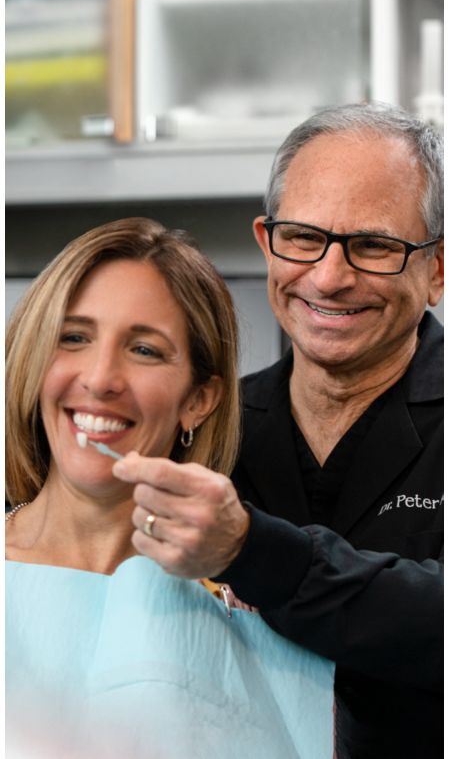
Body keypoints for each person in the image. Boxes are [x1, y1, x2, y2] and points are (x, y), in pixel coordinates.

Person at [113, 104, 444, 759]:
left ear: (436, 268)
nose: (327, 277)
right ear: (266, 241)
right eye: (301, 237)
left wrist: (248, 549)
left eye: (373, 245)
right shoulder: (206, 425)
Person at [5, 217, 334, 759]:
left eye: (145, 350)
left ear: (199, 400)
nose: (101, 378)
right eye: (74, 338)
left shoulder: (258, 604)